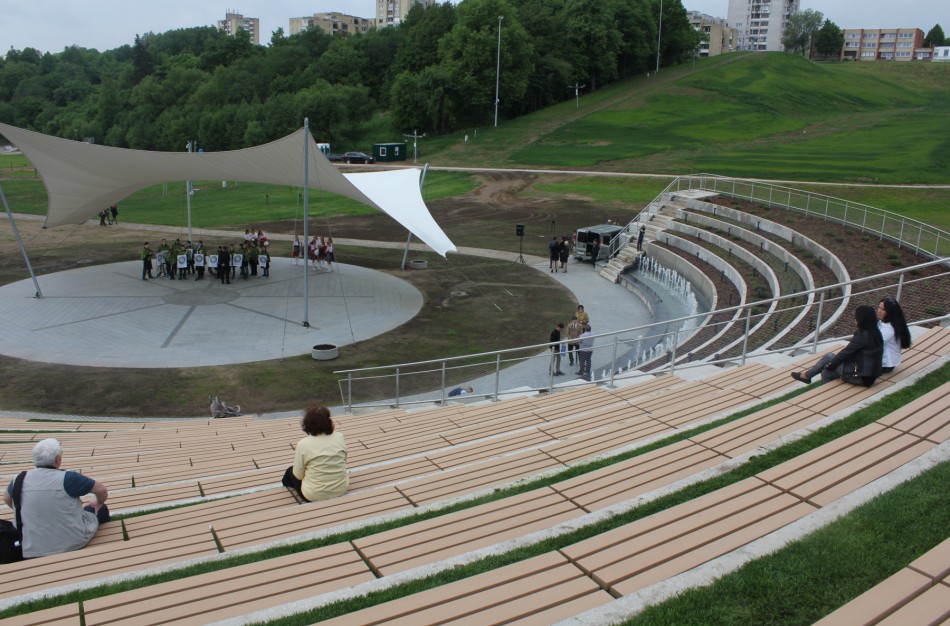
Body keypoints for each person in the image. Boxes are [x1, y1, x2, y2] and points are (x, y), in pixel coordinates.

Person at [3, 439, 110, 559]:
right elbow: (102, 491)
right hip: (73, 541)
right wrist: (99, 503)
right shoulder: (68, 478)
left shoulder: (19, 479)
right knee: (100, 509)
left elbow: (6, 498)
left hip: (31, 546)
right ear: (58, 459)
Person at [792, 305, 884, 386]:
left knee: (829, 357)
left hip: (861, 377)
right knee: (825, 372)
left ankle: (806, 376)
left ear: (861, 320)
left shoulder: (862, 336)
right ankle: (822, 391)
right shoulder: (876, 332)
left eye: (856, 317)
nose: (855, 319)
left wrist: (829, 365)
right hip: (870, 376)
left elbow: (845, 353)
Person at [281, 405, 348, 502]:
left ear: (307, 424)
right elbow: (344, 460)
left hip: (313, 495)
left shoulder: (303, 444)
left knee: (289, 472)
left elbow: (298, 475)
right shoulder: (339, 436)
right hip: (341, 489)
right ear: (329, 421)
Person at [878, 296, 911, 373]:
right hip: (885, 361)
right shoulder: (890, 322)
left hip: (885, 365)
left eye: (883, 309)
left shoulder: (889, 329)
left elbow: (874, 344)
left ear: (890, 312)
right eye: (879, 308)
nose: (879, 311)